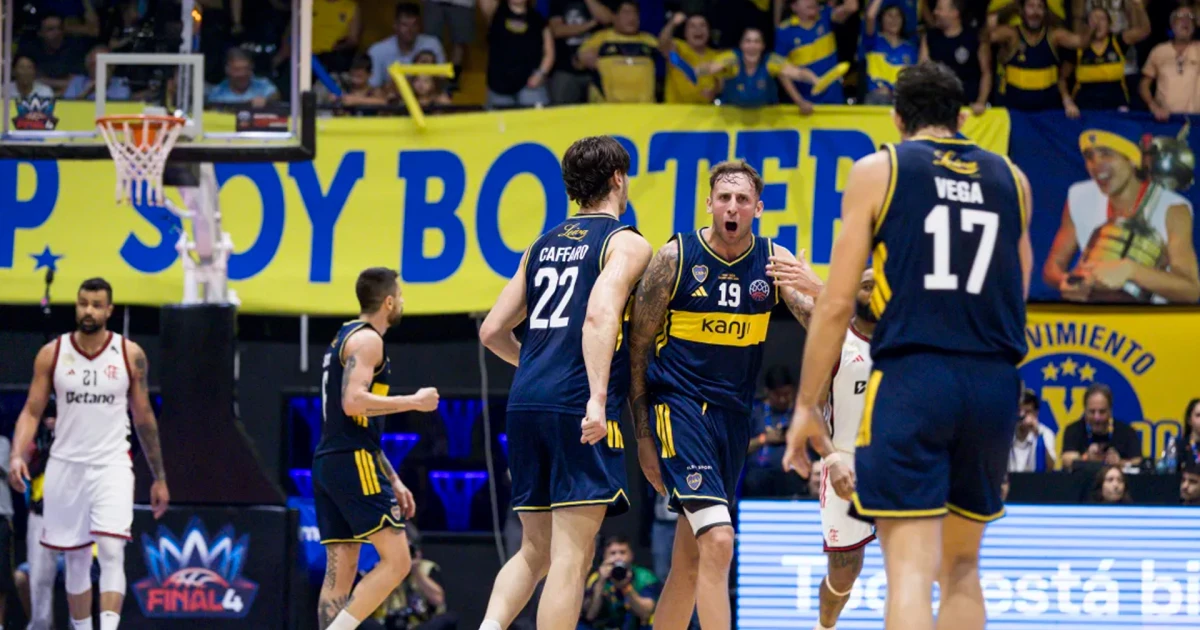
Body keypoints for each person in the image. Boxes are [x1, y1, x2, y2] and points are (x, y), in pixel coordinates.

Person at [784, 62, 1034, 630]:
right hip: (993, 380)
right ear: (963, 116)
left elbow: (838, 302)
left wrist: (804, 407)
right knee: (964, 566)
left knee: (910, 571)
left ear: (898, 119)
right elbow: (1016, 293)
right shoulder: (1012, 180)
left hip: (916, 376)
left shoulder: (881, 169)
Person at [627, 160, 824, 630]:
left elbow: (826, 329)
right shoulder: (676, 258)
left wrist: (815, 289)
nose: (731, 207)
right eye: (723, 198)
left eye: (741, 200)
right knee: (718, 541)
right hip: (678, 406)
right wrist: (643, 436)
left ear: (758, 208)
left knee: (690, 562)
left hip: (733, 418)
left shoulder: (773, 262)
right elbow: (635, 349)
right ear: (710, 203)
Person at [476, 136, 653, 630]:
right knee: (573, 553)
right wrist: (597, 398)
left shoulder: (542, 243)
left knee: (536, 549)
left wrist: (535, 368)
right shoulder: (625, 241)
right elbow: (600, 315)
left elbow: (492, 331)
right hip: (578, 403)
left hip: (526, 400)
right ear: (619, 178)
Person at [9, 277, 171, 630]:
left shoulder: (130, 354)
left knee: (112, 551)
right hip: (66, 465)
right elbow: (32, 411)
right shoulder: (53, 353)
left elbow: (144, 418)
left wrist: (159, 477)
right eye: (83, 303)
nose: (88, 310)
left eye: (97, 304)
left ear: (109, 310)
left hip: (112, 464)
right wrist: (17, 455)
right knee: (77, 558)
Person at [313, 267, 438, 630]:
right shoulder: (369, 341)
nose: (401, 302)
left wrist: (394, 479)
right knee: (398, 562)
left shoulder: (343, 337)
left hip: (331, 460)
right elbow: (354, 404)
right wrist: (414, 401)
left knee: (341, 568)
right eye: (399, 295)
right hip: (352, 461)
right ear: (388, 301)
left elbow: (355, 423)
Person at [1043, 128, 1199, 304]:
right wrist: (1066, 281)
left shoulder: (1172, 208)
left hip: (1149, 321)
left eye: (1106, 154)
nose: (1096, 164)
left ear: (1132, 160)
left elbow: (1191, 289)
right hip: (1095, 321)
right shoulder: (1079, 196)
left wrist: (1131, 271)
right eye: (1089, 156)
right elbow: (1053, 267)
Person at [805, 269, 878, 630]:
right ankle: (825, 626)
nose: (875, 291)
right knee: (844, 571)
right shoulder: (837, 341)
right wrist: (831, 460)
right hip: (847, 459)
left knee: (918, 559)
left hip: (900, 461)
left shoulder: (909, 341)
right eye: (866, 285)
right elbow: (812, 409)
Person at [989, 0, 1090, 111]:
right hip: (1015, 111)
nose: (1035, 12)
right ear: (1022, 11)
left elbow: (1081, 42)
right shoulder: (1012, 33)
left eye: (1039, 7)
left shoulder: (1054, 35)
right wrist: (1009, 9)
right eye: (1031, 6)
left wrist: (1093, 22)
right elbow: (986, 37)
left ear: (1045, 12)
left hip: (1047, 113)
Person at [1058, 3, 1149, 117]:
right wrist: (1068, 102)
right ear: (1087, 25)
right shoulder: (1079, 47)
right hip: (1085, 111)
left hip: (1116, 110)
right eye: (1093, 19)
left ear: (1109, 25)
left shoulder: (1118, 42)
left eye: (1102, 19)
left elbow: (1144, 31)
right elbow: (1062, 79)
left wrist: (1138, 6)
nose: (1097, 23)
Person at [16, 406, 60, 630]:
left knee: (78, 578)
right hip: (40, 514)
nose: (51, 421)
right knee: (38, 579)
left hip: (71, 516)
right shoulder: (37, 442)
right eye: (48, 417)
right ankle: (41, 625)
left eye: (56, 417)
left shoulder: (76, 439)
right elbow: (25, 469)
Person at [581, 535, 660, 630]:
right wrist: (600, 583)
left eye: (622, 553)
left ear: (631, 555)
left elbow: (645, 613)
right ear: (605, 556)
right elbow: (590, 615)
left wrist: (626, 587)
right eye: (613, 553)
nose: (618, 557)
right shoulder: (597, 578)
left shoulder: (645, 577)